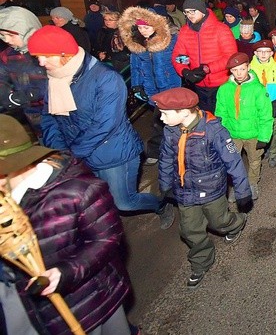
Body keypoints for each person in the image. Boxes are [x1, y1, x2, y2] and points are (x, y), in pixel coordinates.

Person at [0, 114, 140, 335]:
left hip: (89, 300)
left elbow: (107, 239)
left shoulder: (79, 191)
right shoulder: (7, 202)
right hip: (41, 315)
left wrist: (65, 273)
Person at [27, 25, 174, 228]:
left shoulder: (106, 78)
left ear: (64, 53)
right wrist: (60, 150)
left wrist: (72, 154)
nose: (41, 63)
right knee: (95, 199)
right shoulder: (54, 79)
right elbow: (49, 117)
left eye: (46, 56)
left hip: (113, 153)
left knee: (124, 202)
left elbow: (105, 124)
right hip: (78, 153)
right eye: (38, 57)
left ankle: (160, 205)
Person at [154, 87, 251, 288]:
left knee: (219, 221)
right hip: (184, 191)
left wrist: (242, 192)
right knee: (190, 230)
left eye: (165, 113)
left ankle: (236, 223)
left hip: (211, 189)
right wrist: (165, 185)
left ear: (184, 111)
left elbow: (234, 161)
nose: (161, 118)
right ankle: (200, 262)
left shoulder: (214, 130)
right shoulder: (170, 131)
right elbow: (165, 159)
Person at [118, 6, 182, 165]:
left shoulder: (171, 40)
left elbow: (182, 59)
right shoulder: (137, 44)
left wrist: (185, 73)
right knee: (158, 121)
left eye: (146, 27)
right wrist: (137, 85)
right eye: (139, 27)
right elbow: (136, 67)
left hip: (171, 87)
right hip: (152, 89)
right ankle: (156, 151)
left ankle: (181, 151)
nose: (143, 31)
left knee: (177, 121)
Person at [215, 52, 273, 200]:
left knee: (254, 160)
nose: (239, 73)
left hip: (253, 134)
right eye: (235, 70)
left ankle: (252, 182)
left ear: (248, 67)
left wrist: (264, 136)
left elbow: (265, 115)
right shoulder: (224, 89)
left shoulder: (258, 89)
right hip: (232, 134)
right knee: (233, 162)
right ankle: (238, 185)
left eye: (242, 69)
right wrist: (220, 133)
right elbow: (220, 113)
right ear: (230, 71)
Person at [172, 0, 237, 112]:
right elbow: (179, 56)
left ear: (202, 10)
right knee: (205, 118)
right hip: (198, 85)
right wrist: (185, 71)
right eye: (186, 12)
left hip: (221, 85)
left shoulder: (221, 29)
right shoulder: (185, 31)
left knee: (223, 117)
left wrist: (207, 68)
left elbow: (230, 57)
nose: (190, 15)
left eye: (193, 11)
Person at [0, 7, 47, 136]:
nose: (7, 40)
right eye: (3, 35)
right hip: (31, 113)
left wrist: (30, 94)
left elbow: (58, 80)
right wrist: (5, 94)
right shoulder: (7, 55)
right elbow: (2, 77)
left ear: (27, 31)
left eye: (10, 35)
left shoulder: (48, 51)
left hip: (56, 111)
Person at [249, 39, 276, 168]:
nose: (263, 54)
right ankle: (262, 150)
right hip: (257, 106)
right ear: (255, 53)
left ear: (272, 53)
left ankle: (273, 153)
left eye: (266, 52)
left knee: (274, 130)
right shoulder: (250, 69)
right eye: (260, 52)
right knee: (259, 129)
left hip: (273, 104)